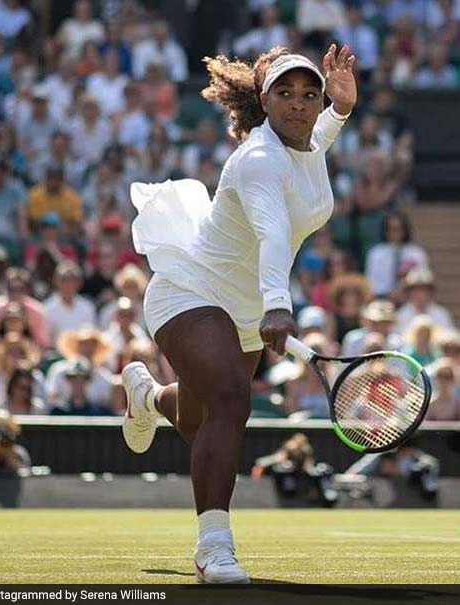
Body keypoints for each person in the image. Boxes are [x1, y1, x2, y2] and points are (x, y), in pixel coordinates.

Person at [122, 45, 357, 583]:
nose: (299, 104)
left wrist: (341, 111)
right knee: (231, 399)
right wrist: (279, 305)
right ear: (264, 101)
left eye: (310, 94)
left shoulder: (307, 142)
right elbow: (273, 233)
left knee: (197, 422)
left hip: (246, 309)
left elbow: (317, 139)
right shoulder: (257, 161)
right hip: (189, 291)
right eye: (285, 93)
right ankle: (213, 548)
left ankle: (148, 397)